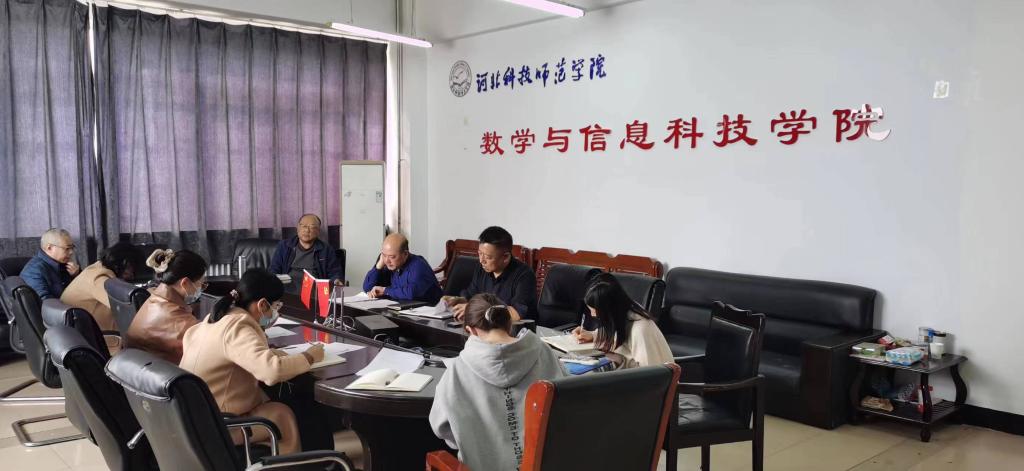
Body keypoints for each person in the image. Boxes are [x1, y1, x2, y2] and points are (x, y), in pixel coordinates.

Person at [179, 268, 323, 455]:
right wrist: (310, 356)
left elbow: (234, 354)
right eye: (276, 306)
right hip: (219, 423)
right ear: (262, 304)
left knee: (290, 403)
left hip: (193, 416)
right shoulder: (238, 325)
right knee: (282, 413)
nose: (276, 312)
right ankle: (289, 464)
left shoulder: (217, 317)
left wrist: (274, 353)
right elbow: (272, 372)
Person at [429, 293, 566, 471]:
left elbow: (441, 426)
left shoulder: (457, 370)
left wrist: (471, 439)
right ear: (509, 323)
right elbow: (566, 407)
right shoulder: (545, 352)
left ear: (470, 330)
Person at [571, 273, 673, 369]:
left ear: (609, 309)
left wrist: (620, 359)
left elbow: (650, 374)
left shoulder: (640, 329)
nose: (593, 315)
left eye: (594, 311)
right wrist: (593, 335)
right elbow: (619, 332)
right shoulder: (625, 311)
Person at [124, 249, 207, 364]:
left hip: (136, 369)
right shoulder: (180, 322)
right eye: (201, 284)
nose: (201, 289)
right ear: (185, 283)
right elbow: (204, 351)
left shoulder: (154, 299)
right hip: (160, 372)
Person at [444, 226, 537, 321]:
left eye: (488, 257)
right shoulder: (482, 268)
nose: (481, 260)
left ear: (505, 257)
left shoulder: (524, 275)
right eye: (480, 253)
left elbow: (516, 314)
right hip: (486, 325)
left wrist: (474, 310)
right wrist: (457, 300)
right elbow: (471, 295)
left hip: (514, 328)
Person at [60, 242, 143, 331]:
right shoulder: (99, 279)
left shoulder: (95, 270)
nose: (132, 276)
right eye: (132, 269)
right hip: (96, 334)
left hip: (83, 329)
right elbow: (129, 307)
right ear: (124, 262)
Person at [269, 214, 344, 291]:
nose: (307, 230)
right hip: (287, 290)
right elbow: (274, 269)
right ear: (298, 228)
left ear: (318, 231)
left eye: (312, 227)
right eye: (304, 226)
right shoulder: (284, 246)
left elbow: (335, 272)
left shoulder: (326, 249)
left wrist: (336, 280)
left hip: (314, 291)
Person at [362, 233, 442, 304]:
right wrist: (378, 266)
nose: (387, 261)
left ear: (405, 254)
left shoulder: (419, 265)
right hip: (403, 310)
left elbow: (411, 292)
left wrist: (385, 290)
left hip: (429, 312)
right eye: (384, 255)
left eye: (392, 257)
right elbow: (368, 288)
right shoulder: (389, 265)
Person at [21, 228, 81, 300]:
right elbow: (45, 302)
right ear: (49, 248)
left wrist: (77, 275)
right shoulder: (33, 271)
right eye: (67, 248)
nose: (71, 252)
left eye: (72, 247)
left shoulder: (63, 263)